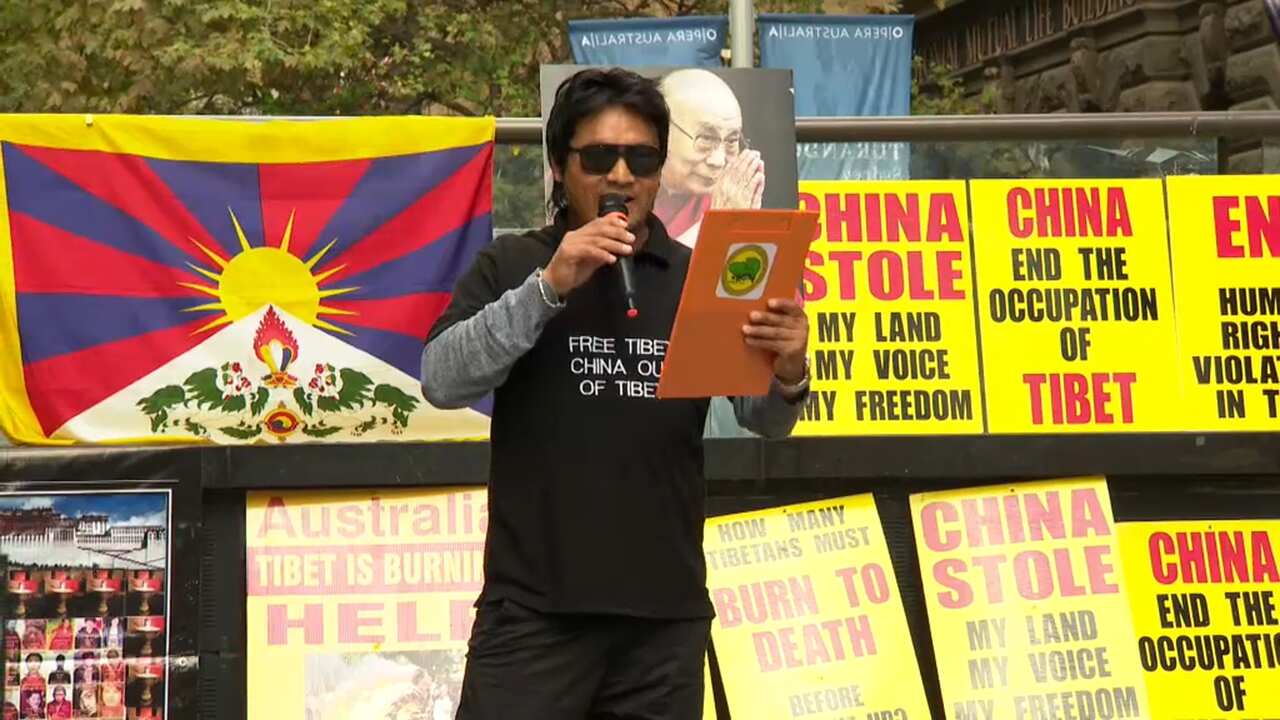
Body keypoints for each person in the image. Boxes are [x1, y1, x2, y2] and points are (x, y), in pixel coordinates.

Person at [421, 66, 809, 719]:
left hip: (663, 623)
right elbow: (443, 377)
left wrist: (790, 368)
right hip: (535, 616)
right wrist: (551, 286)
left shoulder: (700, 275)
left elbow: (764, 419)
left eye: (641, 158)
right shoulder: (515, 265)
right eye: (599, 157)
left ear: (660, 171)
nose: (621, 176)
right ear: (558, 166)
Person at [654, 68, 765, 249]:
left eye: (731, 141)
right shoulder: (624, 190)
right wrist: (719, 223)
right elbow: (644, 275)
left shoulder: (732, 197)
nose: (718, 161)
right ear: (661, 130)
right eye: (706, 139)